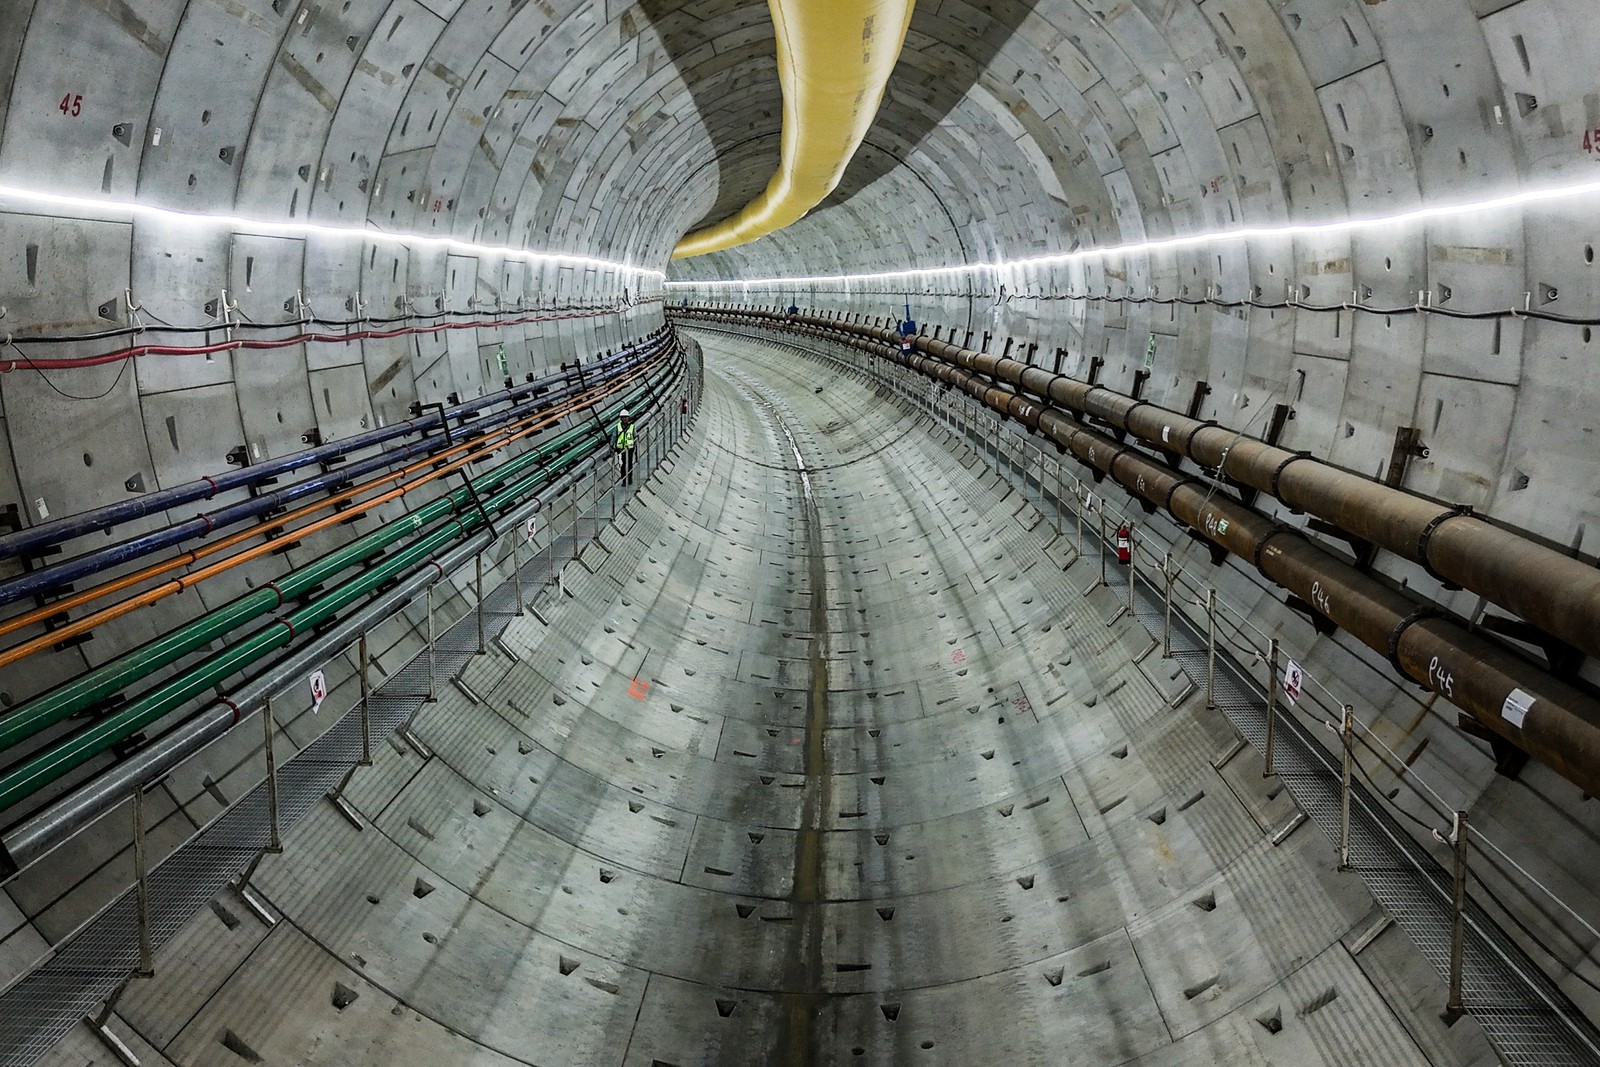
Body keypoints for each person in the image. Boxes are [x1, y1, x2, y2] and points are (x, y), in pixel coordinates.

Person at [614, 408, 637, 484]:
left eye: (625, 417)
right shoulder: (617, 427)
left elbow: (635, 437)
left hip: (629, 449)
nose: (624, 418)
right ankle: (624, 480)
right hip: (620, 449)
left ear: (628, 417)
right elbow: (614, 436)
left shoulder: (632, 427)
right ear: (620, 418)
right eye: (623, 417)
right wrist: (611, 446)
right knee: (622, 465)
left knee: (629, 464)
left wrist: (635, 447)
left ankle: (629, 478)